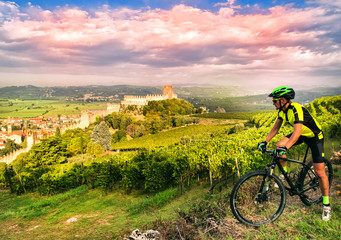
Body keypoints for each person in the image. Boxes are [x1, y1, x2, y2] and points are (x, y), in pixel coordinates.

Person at [257, 86, 331, 221]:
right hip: (302, 135)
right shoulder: (282, 111)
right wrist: (265, 141)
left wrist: (286, 147)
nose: (273, 103)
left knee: (320, 173)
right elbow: (276, 128)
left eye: (275, 101)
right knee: (278, 145)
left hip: (314, 137)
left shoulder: (296, 109)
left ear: (284, 100)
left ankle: (326, 205)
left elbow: (296, 133)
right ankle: (284, 175)